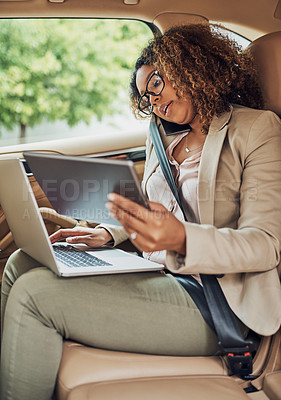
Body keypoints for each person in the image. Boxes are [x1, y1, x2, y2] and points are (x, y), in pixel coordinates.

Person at [1, 24, 281, 400]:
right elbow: (156, 210)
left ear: (190, 66)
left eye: (156, 84)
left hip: (213, 298)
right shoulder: (163, 136)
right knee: (21, 263)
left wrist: (182, 238)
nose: (153, 101)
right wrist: (111, 233)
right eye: (145, 96)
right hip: (154, 272)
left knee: (36, 293)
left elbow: (265, 245)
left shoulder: (257, 128)